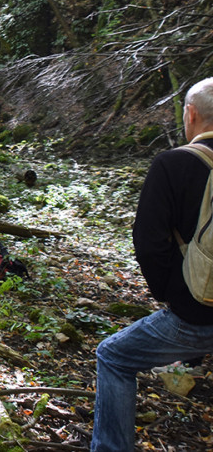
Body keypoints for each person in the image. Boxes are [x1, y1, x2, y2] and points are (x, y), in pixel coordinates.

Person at [91, 77, 213, 452]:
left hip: (198, 314)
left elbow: (149, 244)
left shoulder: (174, 164)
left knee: (113, 356)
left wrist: (175, 297)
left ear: (191, 115)